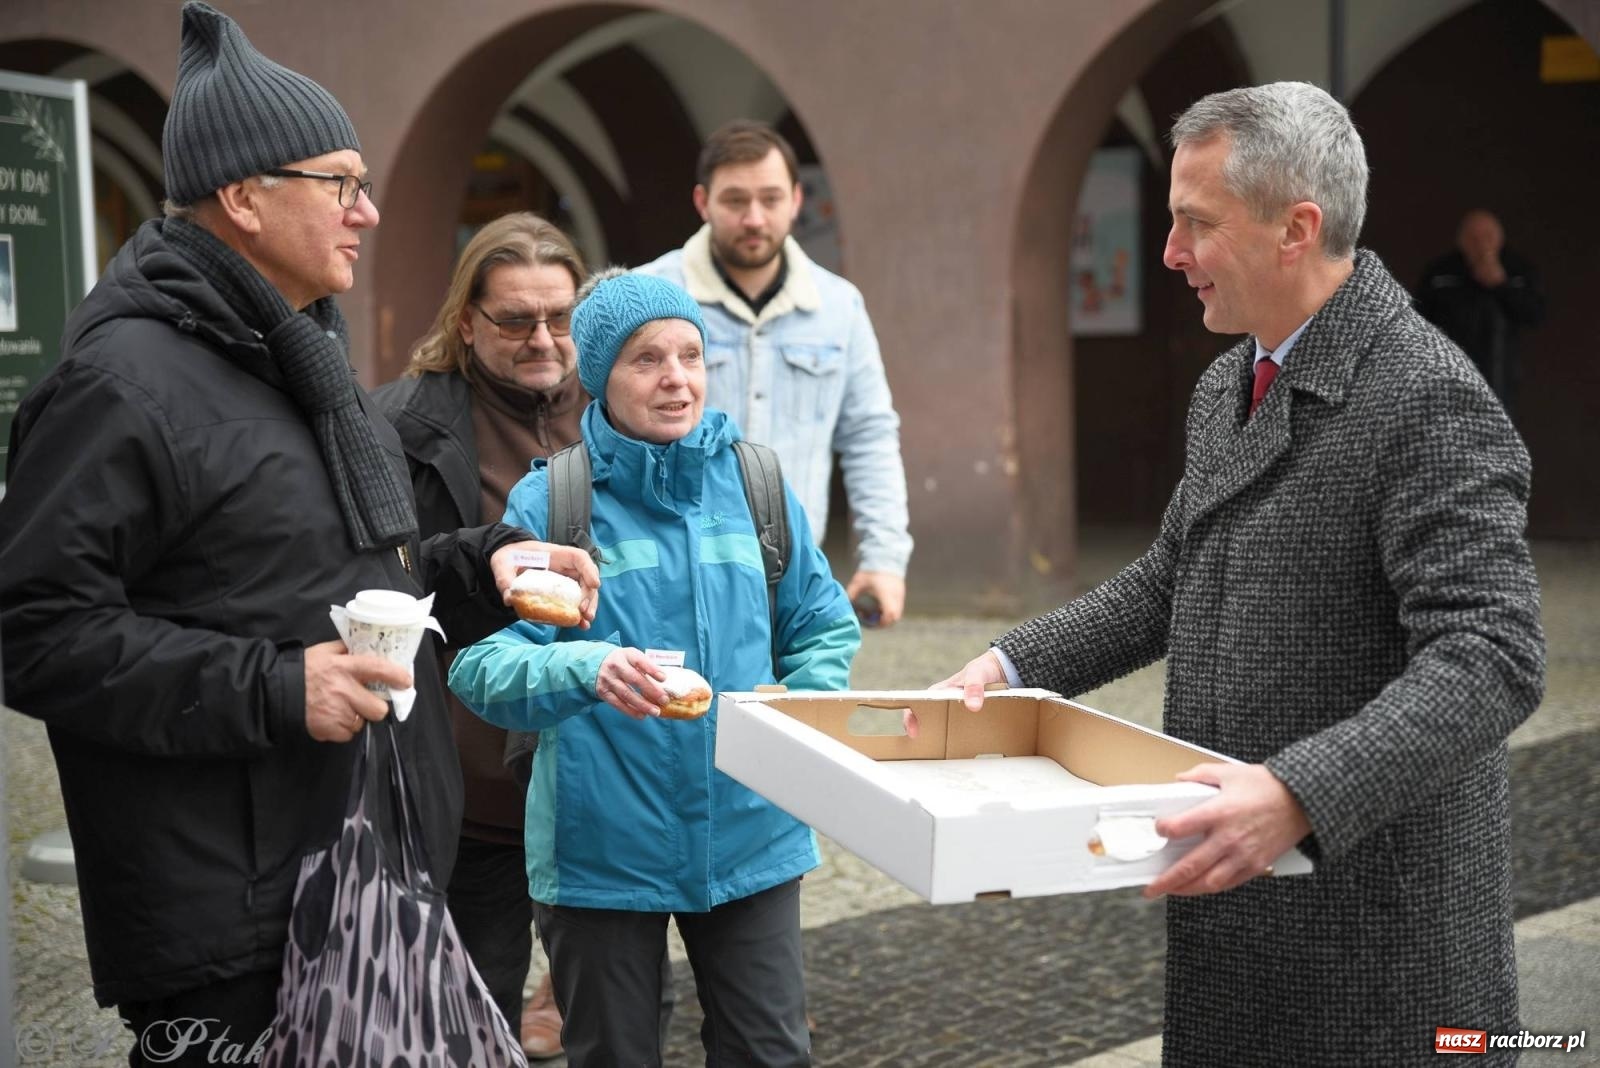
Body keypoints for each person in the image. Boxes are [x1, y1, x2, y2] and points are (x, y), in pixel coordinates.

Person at [0, 6, 596, 1064]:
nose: (366, 212)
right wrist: (278, 687)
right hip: (236, 921)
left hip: (371, 869)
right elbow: (36, 634)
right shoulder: (119, 385)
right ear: (244, 196)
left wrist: (482, 562)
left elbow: (357, 573)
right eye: (341, 184)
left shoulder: (298, 357)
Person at [934, 82, 1544, 1066]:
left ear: (1294, 228)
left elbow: (1492, 657)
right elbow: (1166, 580)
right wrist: (1000, 671)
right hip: (1239, 901)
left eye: (1194, 224)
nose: (1170, 253)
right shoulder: (1230, 379)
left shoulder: (1424, 395)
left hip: (1378, 932)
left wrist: (1299, 791)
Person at [450, 270, 860, 1066]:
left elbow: (821, 624)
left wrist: (800, 707)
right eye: (648, 360)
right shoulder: (551, 504)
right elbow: (481, 666)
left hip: (754, 830)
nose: (677, 378)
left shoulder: (756, 485)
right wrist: (584, 668)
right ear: (601, 376)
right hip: (600, 846)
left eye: (691, 355)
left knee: (771, 1053)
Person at [373, 212, 591, 1059]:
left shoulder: (618, 411)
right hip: (471, 784)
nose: (543, 339)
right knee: (472, 1016)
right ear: (467, 321)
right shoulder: (402, 425)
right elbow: (382, 583)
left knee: (616, 1014)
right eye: (515, 320)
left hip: (593, 772)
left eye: (561, 318)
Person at [636, 119, 912, 627]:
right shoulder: (646, 296)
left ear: (796, 199)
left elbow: (869, 435)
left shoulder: (839, 306)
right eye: (736, 201)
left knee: (795, 707)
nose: (754, 218)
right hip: (669, 571)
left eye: (770, 198)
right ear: (702, 202)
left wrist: (885, 559)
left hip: (793, 575)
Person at [1416, 209, 1544, 421]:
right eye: (1474, 238)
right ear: (1461, 240)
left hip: (1500, 379)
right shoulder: (1440, 272)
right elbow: (1418, 322)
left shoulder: (1517, 270)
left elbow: (1535, 314)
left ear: (1500, 239)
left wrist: (1501, 285)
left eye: (1488, 237)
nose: (1481, 244)